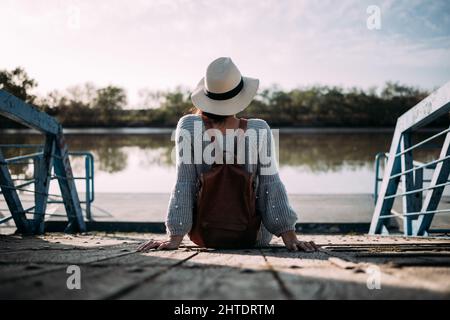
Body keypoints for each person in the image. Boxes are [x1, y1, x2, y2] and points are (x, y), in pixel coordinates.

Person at [138, 57, 318, 252]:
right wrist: (290, 236)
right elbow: (270, 184)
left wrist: (175, 237)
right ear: (240, 96)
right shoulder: (259, 129)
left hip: (205, 235)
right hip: (253, 236)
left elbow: (184, 182)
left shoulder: (189, 125)